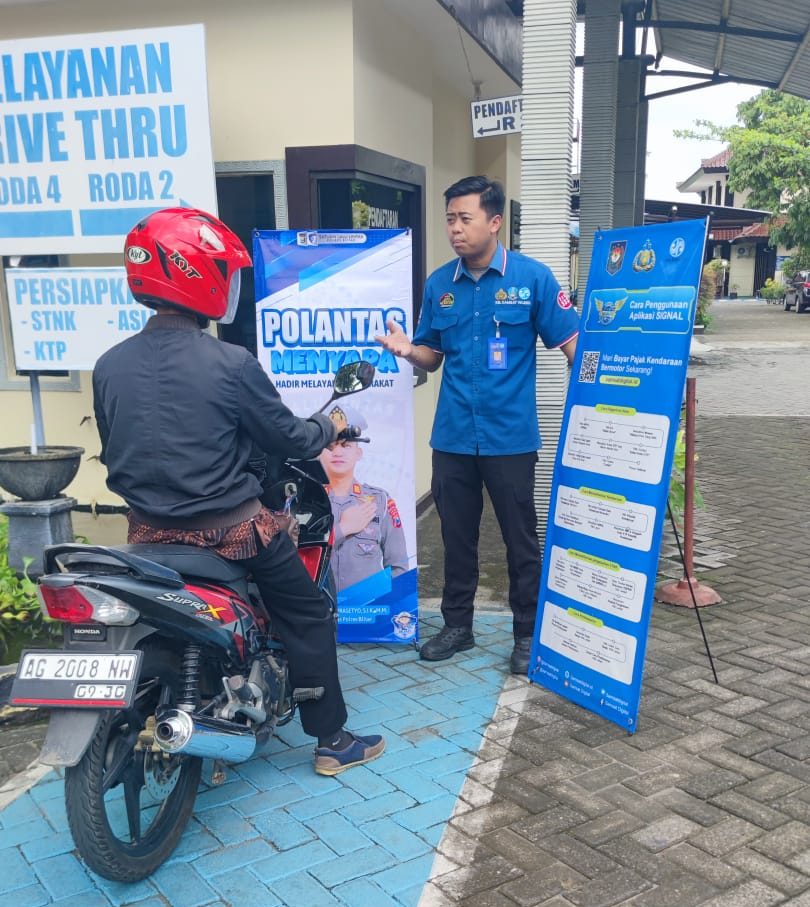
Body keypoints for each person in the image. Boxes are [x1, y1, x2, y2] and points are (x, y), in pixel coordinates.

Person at [92, 207, 384, 775]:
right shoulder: (230, 363)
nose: (229, 286)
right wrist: (333, 424)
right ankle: (332, 741)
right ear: (197, 276)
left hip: (145, 536)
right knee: (309, 612)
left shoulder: (108, 365)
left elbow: (116, 446)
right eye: (224, 273)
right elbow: (294, 438)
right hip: (231, 533)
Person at [376, 176, 579, 674]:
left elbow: (573, 346)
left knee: (519, 539)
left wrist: (601, 403)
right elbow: (431, 355)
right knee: (456, 537)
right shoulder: (440, 284)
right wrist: (408, 351)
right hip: (452, 438)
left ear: (494, 221)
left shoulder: (533, 278)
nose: (454, 229)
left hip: (510, 437)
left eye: (465, 218)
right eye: (449, 219)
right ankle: (457, 627)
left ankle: (527, 634)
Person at [318, 402, 409, 591]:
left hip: (366, 612)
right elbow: (295, 559)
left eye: (346, 445)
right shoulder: (306, 501)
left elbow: (398, 568)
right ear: (319, 454)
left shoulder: (380, 501)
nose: (338, 452)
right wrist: (343, 529)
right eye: (331, 446)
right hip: (317, 614)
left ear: (359, 453)